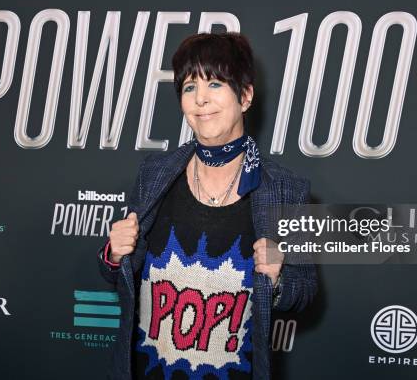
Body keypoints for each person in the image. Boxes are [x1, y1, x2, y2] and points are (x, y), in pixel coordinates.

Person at [97, 32, 317, 380]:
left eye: (215, 84)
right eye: (188, 87)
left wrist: (277, 278)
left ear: (245, 96)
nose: (200, 99)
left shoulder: (286, 190)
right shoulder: (155, 174)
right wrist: (114, 254)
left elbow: (304, 290)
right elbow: (117, 271)